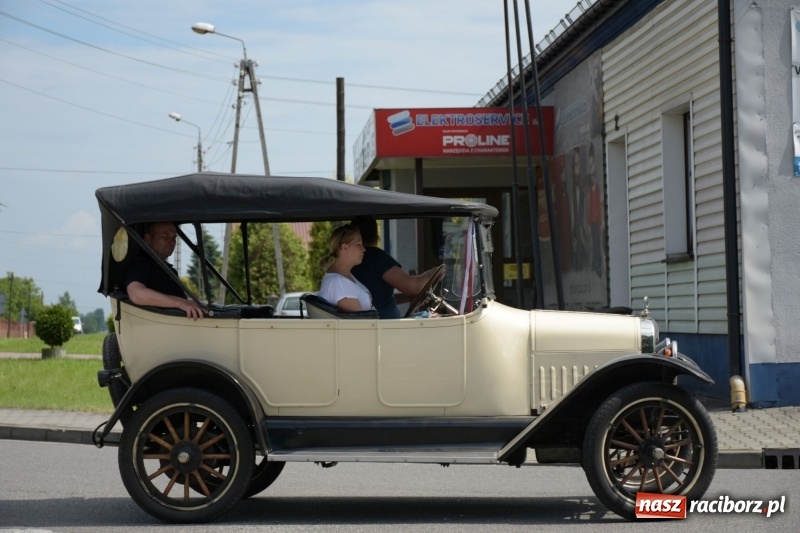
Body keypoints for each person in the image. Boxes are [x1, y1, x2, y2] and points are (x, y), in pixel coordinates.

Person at [349, 215, 443, 319]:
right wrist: (436, 271)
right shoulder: (376, 257)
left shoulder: (351, 260)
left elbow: (377, 297)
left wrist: (410, 298)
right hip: (385, 325)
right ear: (376, 238)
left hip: (381, 322)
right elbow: (413, 286)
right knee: (436, 318)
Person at [123, 221, 206, 319]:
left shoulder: (167, 269)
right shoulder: (140, 263)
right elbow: (137, 294)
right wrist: (180, 303)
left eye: (174, 237)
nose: (172, 242)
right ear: (148, 239)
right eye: (165, 236)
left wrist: (189, 303)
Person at [318, 224, 375, 312]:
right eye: (358, 244)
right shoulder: (339, 283)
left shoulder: (344, 277)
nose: (363, 249)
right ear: (344, 248)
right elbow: (358, 323)